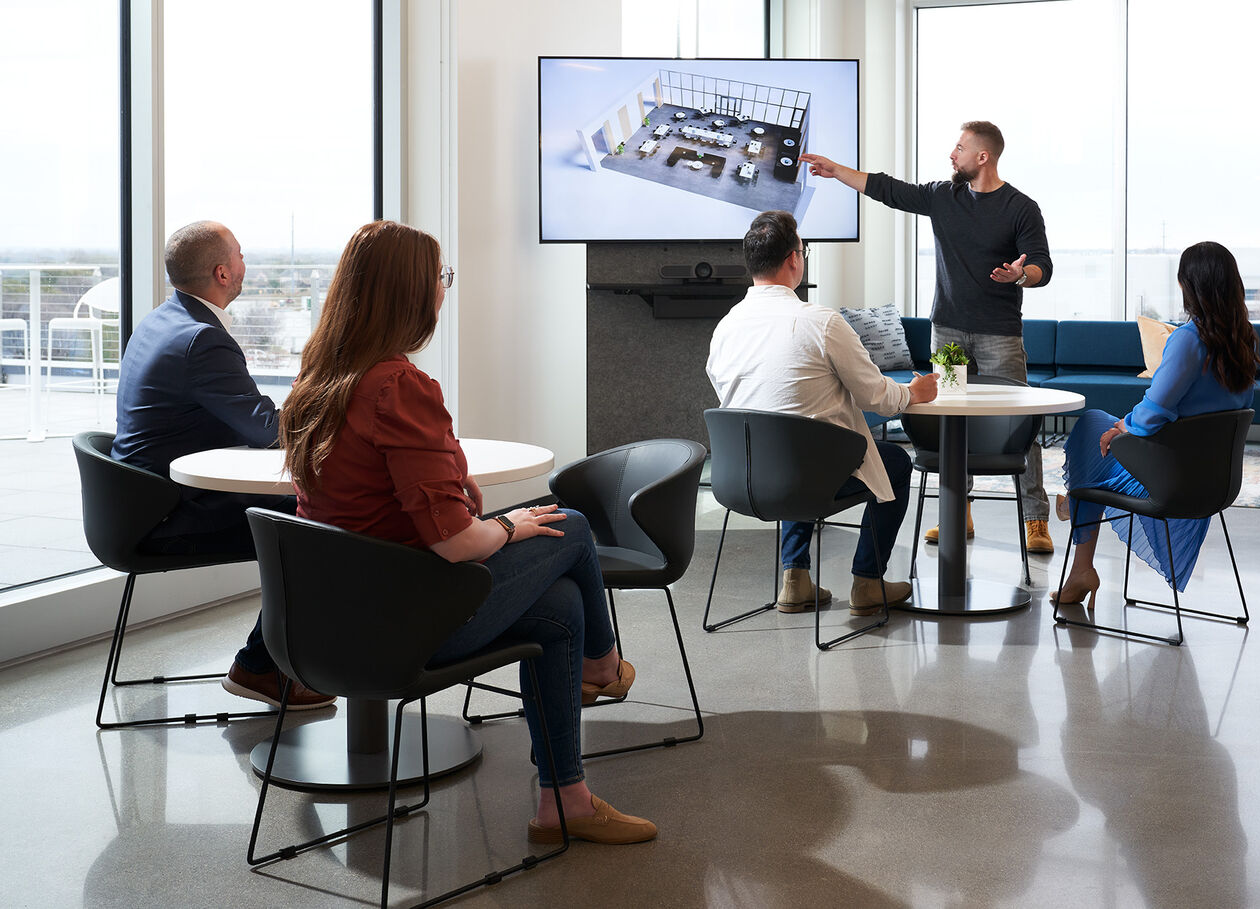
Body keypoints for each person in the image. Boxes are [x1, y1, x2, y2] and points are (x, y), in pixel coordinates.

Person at [280, 220, 655, 845]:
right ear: (409, 294)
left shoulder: (316, 381)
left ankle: (565, 798)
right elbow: (454, 542)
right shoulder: (397, 388)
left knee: (558, 608)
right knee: (575, 525)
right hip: (400, 626)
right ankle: (604, 667)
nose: (443, 291)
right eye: (439, 279)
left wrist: (498, 524)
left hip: (320, 626)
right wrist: (509, 525)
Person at [800, 120, 1056, 553]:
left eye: (959, 148)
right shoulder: (944, 196)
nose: (951, 154)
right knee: (949, 421)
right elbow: (888, 189)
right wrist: (835, 170)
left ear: (983, 156)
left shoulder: (1020, 208)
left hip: (1000, 334)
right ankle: (960, 508)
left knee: (1020, 425)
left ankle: (1035, 520)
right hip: (948, 330)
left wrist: (1020, 275)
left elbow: (1042, 267)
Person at [111, 220, 332, 711]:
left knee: (304, 512)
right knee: (315, 523)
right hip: (169, 515)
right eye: (240, 254)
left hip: (135, 504)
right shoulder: (201, 339)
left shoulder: (163, 320)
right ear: (223, 273)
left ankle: (279, 659)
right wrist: (323, 402)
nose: (245, 262)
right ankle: (259, 667)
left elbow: (233, 418)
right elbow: (263, 430)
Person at [706, 210, 939, 614]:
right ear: (794, 259)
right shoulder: (820, 321)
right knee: (896, 463)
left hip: (740, 479)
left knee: (797, 442)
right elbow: (877, 398)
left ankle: (794, 579)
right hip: (803, 478)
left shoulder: (726, 326)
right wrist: (914, 393)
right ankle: (868, 582)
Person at [1052, 241, 1260, 606]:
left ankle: (1079, 533)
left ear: (1190, 286)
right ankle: (1078, 516)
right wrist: (1126, 427)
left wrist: (1123, 427)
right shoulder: (1243, 341)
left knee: (1091, 427)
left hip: (1172, 478)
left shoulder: (1189, 340)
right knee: (1104, 434)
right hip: (1215, 483)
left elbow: (1156, 409)